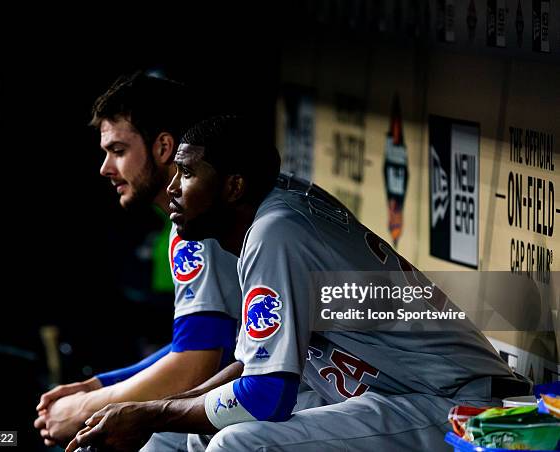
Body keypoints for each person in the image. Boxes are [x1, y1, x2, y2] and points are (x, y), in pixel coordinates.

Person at [67, 116, 529, 452]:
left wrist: (150, 410)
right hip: (386, 393)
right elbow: (253, 369)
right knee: (173, 433)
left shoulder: (276, 232)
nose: (173, 189)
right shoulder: (266, 218)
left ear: (233, 187)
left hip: (456, 404)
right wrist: (154, 413)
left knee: (240, 444)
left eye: (187, 174)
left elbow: (266, 398)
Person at [34, 75, 241, 450]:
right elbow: (205, 345)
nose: (105, 168)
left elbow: (196, 366)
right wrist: (101, 386)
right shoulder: (204, 206)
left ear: (163, 146)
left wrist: (83, 408)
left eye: (118, 150)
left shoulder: (203, 220)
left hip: (348, 388)